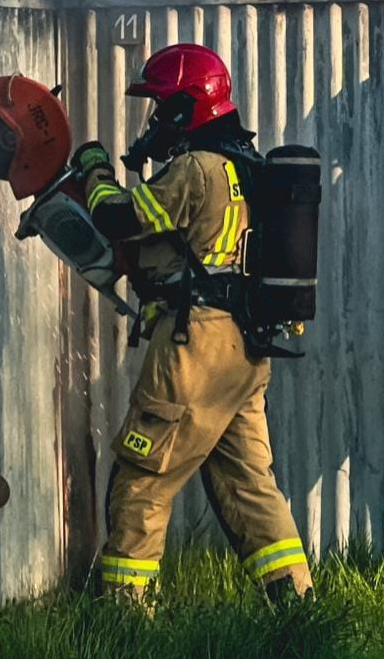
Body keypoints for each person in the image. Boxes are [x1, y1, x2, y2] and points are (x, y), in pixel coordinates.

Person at [71, 43, 313, 606]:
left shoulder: (196, 170)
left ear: (186, 109)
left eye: (161, 107)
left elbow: (117, 217)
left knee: (143, 476)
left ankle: (126, 615)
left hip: (196, 348)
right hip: (244, 349)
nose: (155, 121)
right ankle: (297, 605)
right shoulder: (244, 168)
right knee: (249, 484)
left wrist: (95, 170)